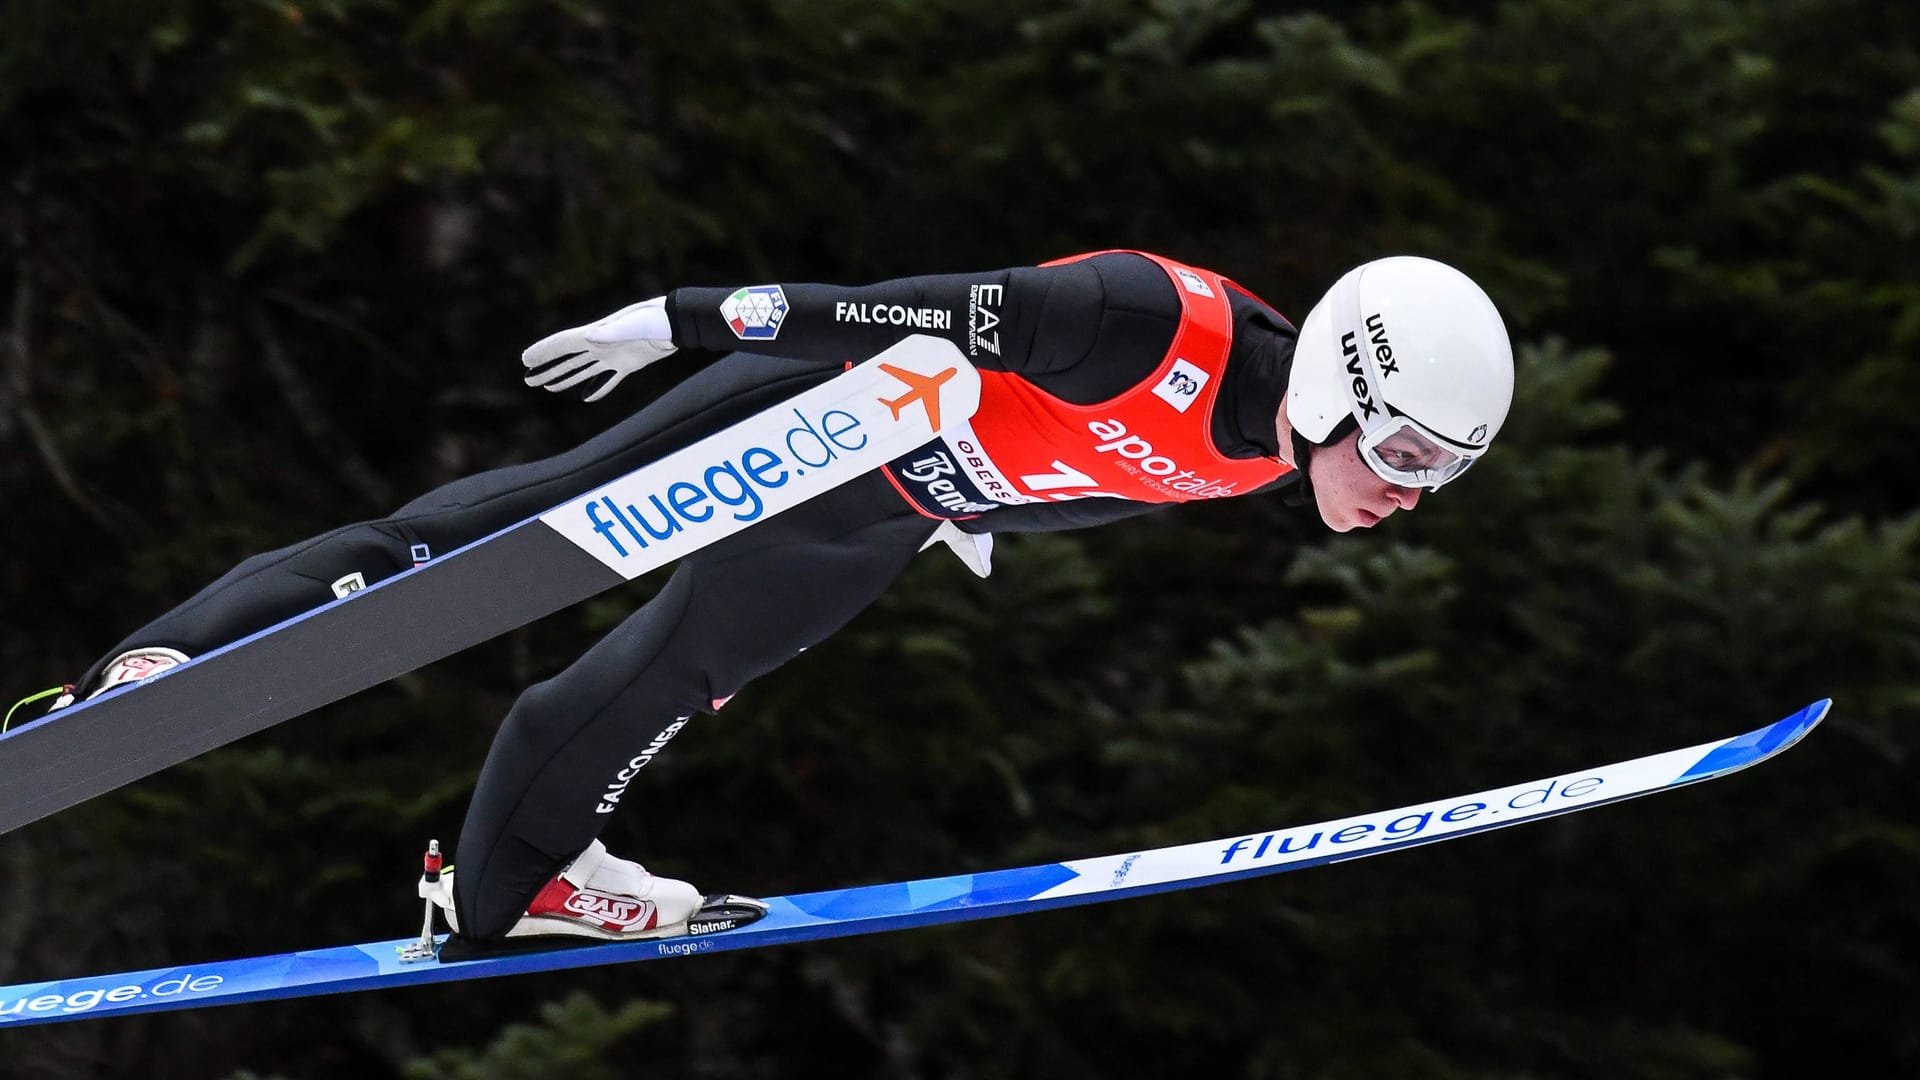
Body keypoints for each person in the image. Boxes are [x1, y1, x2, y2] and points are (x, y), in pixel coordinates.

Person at [37, 250, 1513, 949]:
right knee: (485, 535)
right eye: (1398, 451)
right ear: (1342, 381)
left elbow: (1075, 474)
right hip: (821, 417)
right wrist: (680, 322)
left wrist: (972, 514)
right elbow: (901, 309)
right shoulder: (1145, 321)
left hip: (887, 510)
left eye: (1438, 477)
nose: (1401, 493)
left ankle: (510, 884)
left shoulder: (1264, 461)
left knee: (667, 681)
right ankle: (156, 668)